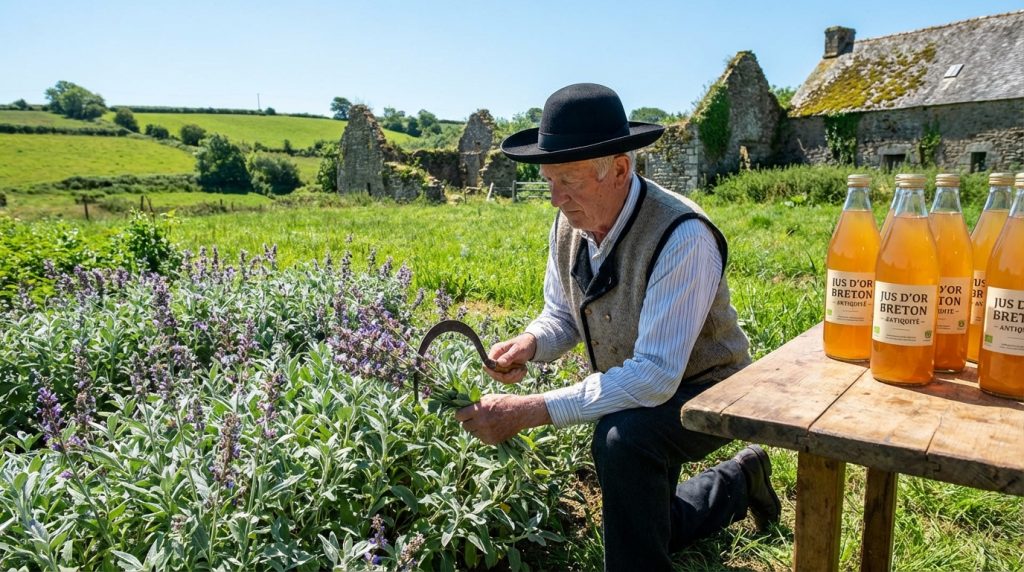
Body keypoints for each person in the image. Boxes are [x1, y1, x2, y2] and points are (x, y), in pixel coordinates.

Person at [453, 83, 781, 571]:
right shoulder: (571, 223)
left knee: (622, 439)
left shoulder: (682, 234)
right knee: (648, 525)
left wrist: (531, 410)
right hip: (637, 380)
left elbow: (655, 376)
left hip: (709, 387)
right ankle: (741, 481)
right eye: (549, 181)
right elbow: (562, 314)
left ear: (620, 169)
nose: (554, 199)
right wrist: (530, 342)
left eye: (569, 181)